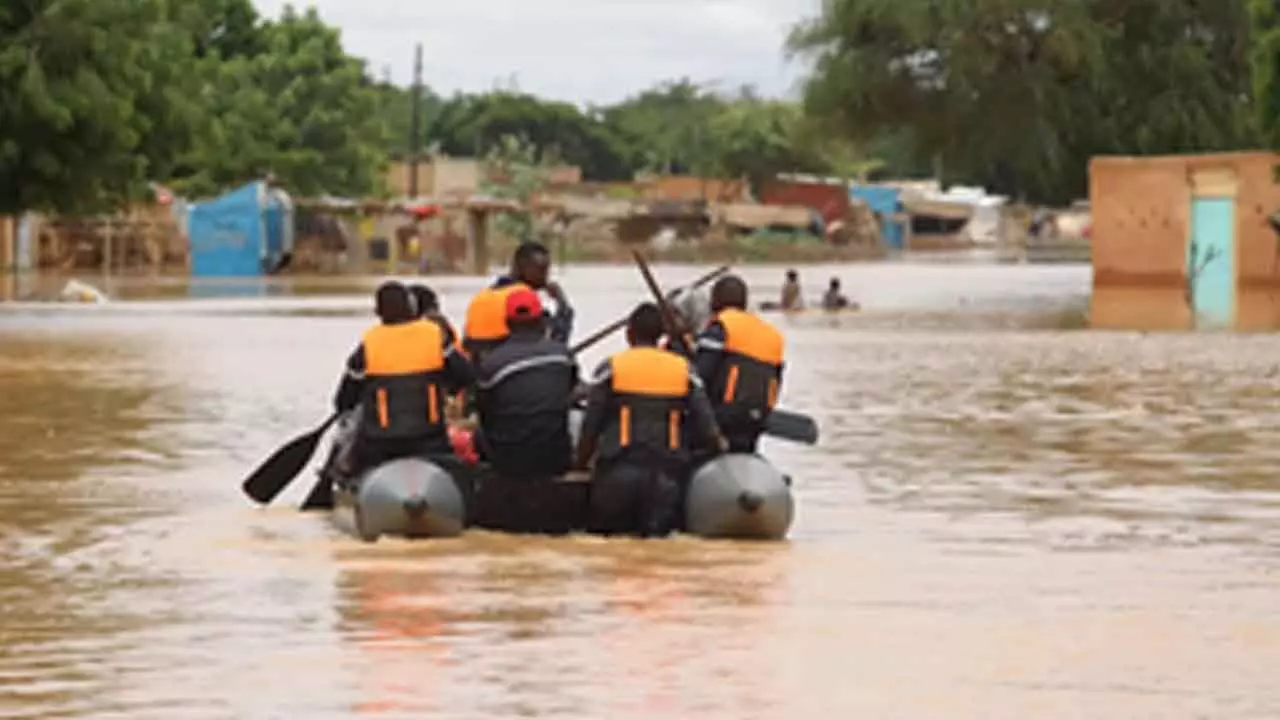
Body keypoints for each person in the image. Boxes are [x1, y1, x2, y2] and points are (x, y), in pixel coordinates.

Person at [575, 303, 724, 538]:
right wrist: (720, 450)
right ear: (661, 334)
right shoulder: (685, 371)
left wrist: (579, 464)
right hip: (665, 479)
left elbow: (590, 426)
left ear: (629, 334)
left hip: (617, 476)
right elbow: (708, 429)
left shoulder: (611, 368)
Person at [332, 282, 474, 475]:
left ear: (378, 312)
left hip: (379, 445)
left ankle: (346, 478)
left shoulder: (368, 345)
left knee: (349, 451)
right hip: (430, 441)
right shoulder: (435, 336)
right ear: (412, 308)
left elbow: (343, 401)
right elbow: (466, 375)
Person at [474, 288, 579, 479]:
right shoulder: (564, 355)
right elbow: (570, 391)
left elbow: (485, 415)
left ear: (507, 323)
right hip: (556, 459)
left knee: (478, 433)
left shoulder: (492, 363)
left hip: (507, 461)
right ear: (541, 320)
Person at [694, 275, 785, 454]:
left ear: (715, 301)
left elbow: (700, 377)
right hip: (758, 419)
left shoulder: (720, 327)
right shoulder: (773, 335)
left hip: (724, 417)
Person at [462, 241, 573, 366]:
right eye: (541, 270)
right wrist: (562, 303)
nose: (546, 277)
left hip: (479, 370)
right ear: (521, 268)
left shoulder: (481, 297)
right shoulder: (523, 296)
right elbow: (556, 341)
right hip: (508, 369)